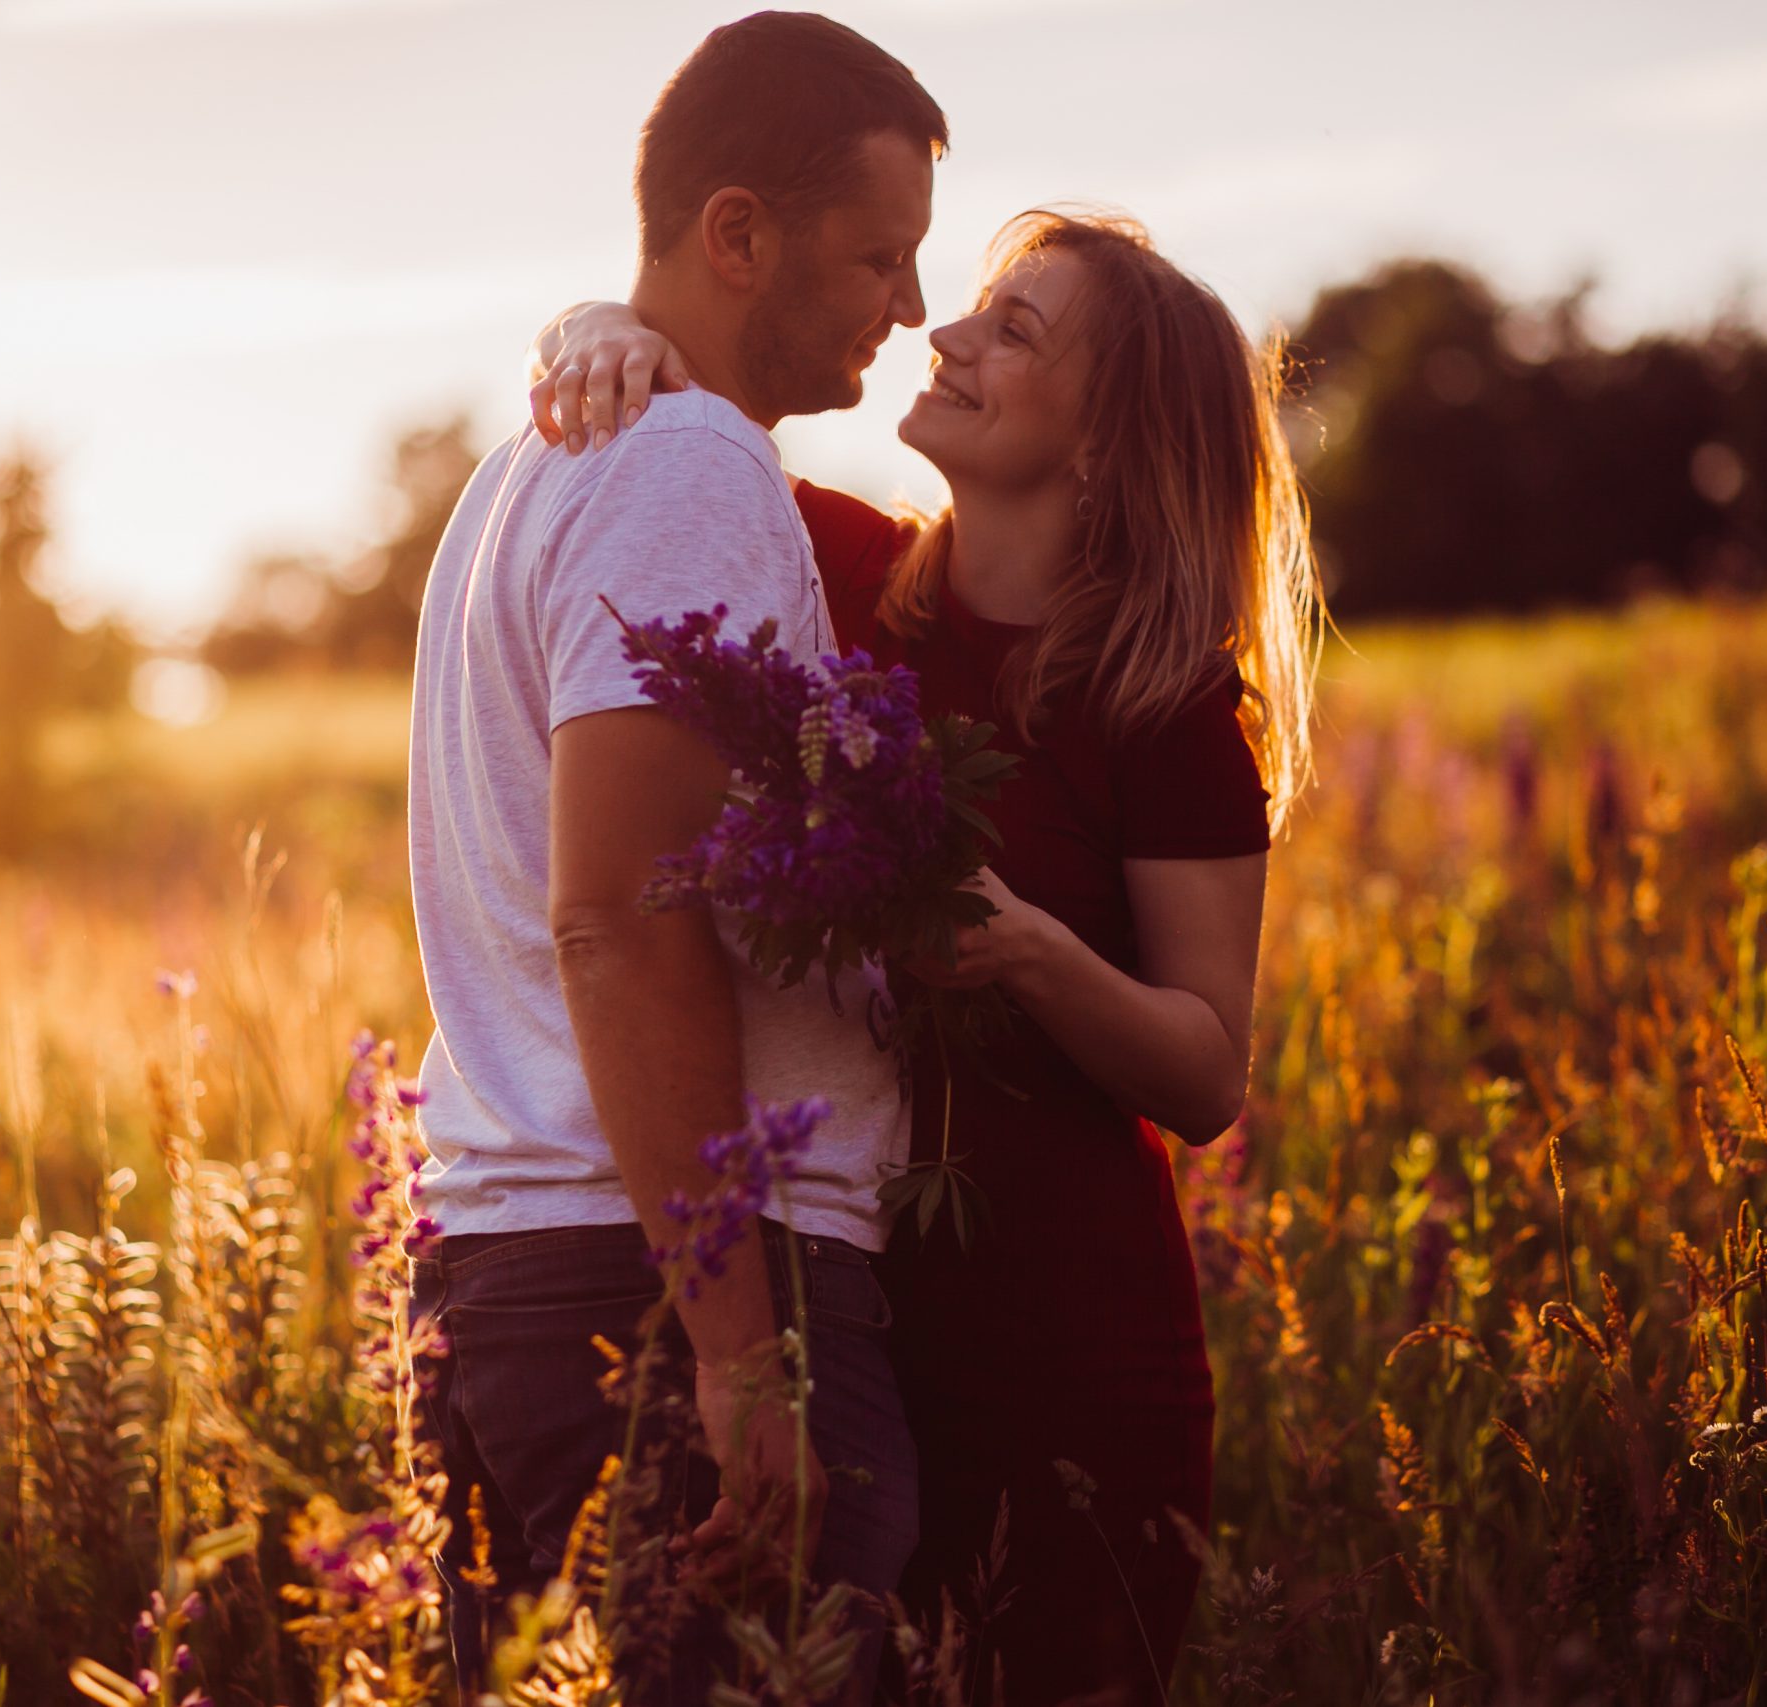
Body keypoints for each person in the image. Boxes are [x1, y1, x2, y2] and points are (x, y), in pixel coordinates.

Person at [530, 208, 1323, 1703]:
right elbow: (672, 443)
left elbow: (1209, 1070)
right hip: (851, 1314)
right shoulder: (827, 567)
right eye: (975, 307)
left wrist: (1029, 953)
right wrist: (593, 332)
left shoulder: (1164, 703)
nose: (948, 334)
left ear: (1107, 444)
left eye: (1016, 331)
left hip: (1071, 1351)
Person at [401, 12, 948, 1702]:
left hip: (534, 1262)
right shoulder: (689, 464)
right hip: (661, 1283)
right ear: (737, 233)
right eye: (880, 254)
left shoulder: (533, 471)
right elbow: (622, 920)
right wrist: (737, 1353)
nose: (909, 308)